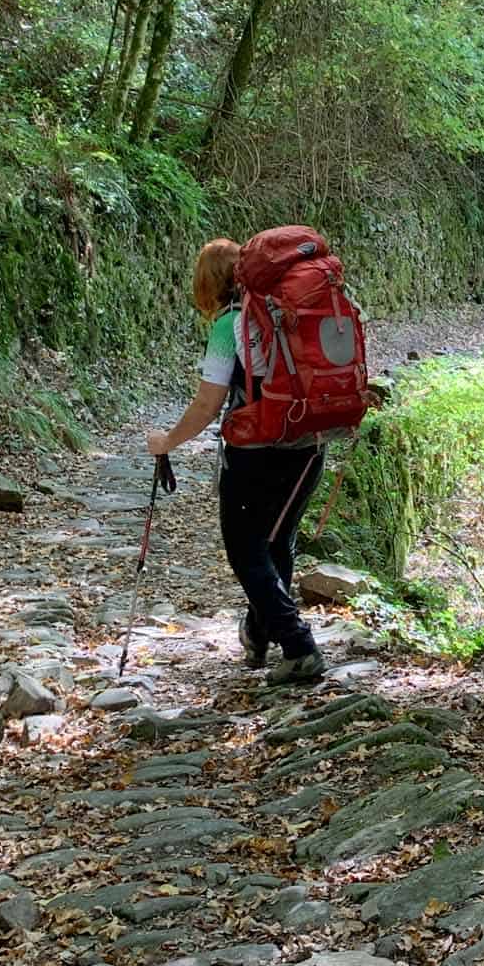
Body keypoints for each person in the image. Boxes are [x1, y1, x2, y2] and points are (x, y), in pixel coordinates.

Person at [147, 238, 326, 685]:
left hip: (256, 453)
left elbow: (209, 404)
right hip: (309, 444)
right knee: (276, 543)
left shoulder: (231, 326)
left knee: (246, 550)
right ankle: (261, 635)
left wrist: (167, 440)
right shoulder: (291, 314)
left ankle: (299, 645)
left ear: (208, 285)